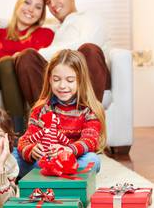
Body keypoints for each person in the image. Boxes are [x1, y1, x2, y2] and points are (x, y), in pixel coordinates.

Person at [0, 0, 111, 105]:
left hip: (88, 74)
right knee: (27, 55)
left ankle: (87, 117)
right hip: (58, 77)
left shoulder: (89, 16)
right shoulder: (54, 27)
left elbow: (89, 42)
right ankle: (46, 119)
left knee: (90, 48)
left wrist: (41, 54)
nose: (53, 5)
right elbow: (24, 20)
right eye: (48, 2)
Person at [0, 0, 54, 135]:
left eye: (38, 7)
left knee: (6, 62)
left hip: (17, 79)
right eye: (27, 3)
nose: (31, 9)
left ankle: (16, 132)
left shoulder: (45, 34)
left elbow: (34, 64)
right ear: (18, 5)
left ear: (41, 14)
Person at [15, 49, 106, 178]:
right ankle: (52, 171)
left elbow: (90, 140)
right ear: (50, 80)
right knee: (13, 155)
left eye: (70, 80)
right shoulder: (41, 109)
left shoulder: (89, 110)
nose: (62, 86)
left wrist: (69, 150)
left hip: (71, 159)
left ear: (81, 81)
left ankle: (47, 172)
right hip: (44, 159)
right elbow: (26, 139)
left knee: (92, 160)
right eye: (56, 79)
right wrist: (31, 150)